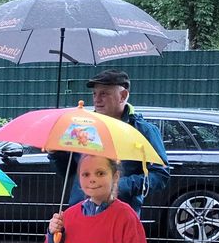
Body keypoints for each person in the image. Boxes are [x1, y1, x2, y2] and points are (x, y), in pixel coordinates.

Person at [50, 69, 170, 215]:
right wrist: (55, 154)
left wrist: (120, 185)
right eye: (94, 94)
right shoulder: (83, 128)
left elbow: (160, 176)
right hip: (81, 212)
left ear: (123, 95)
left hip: (120, 216)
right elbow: (69, 171)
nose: (96, 99)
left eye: (104, 94)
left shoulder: (144, 131)